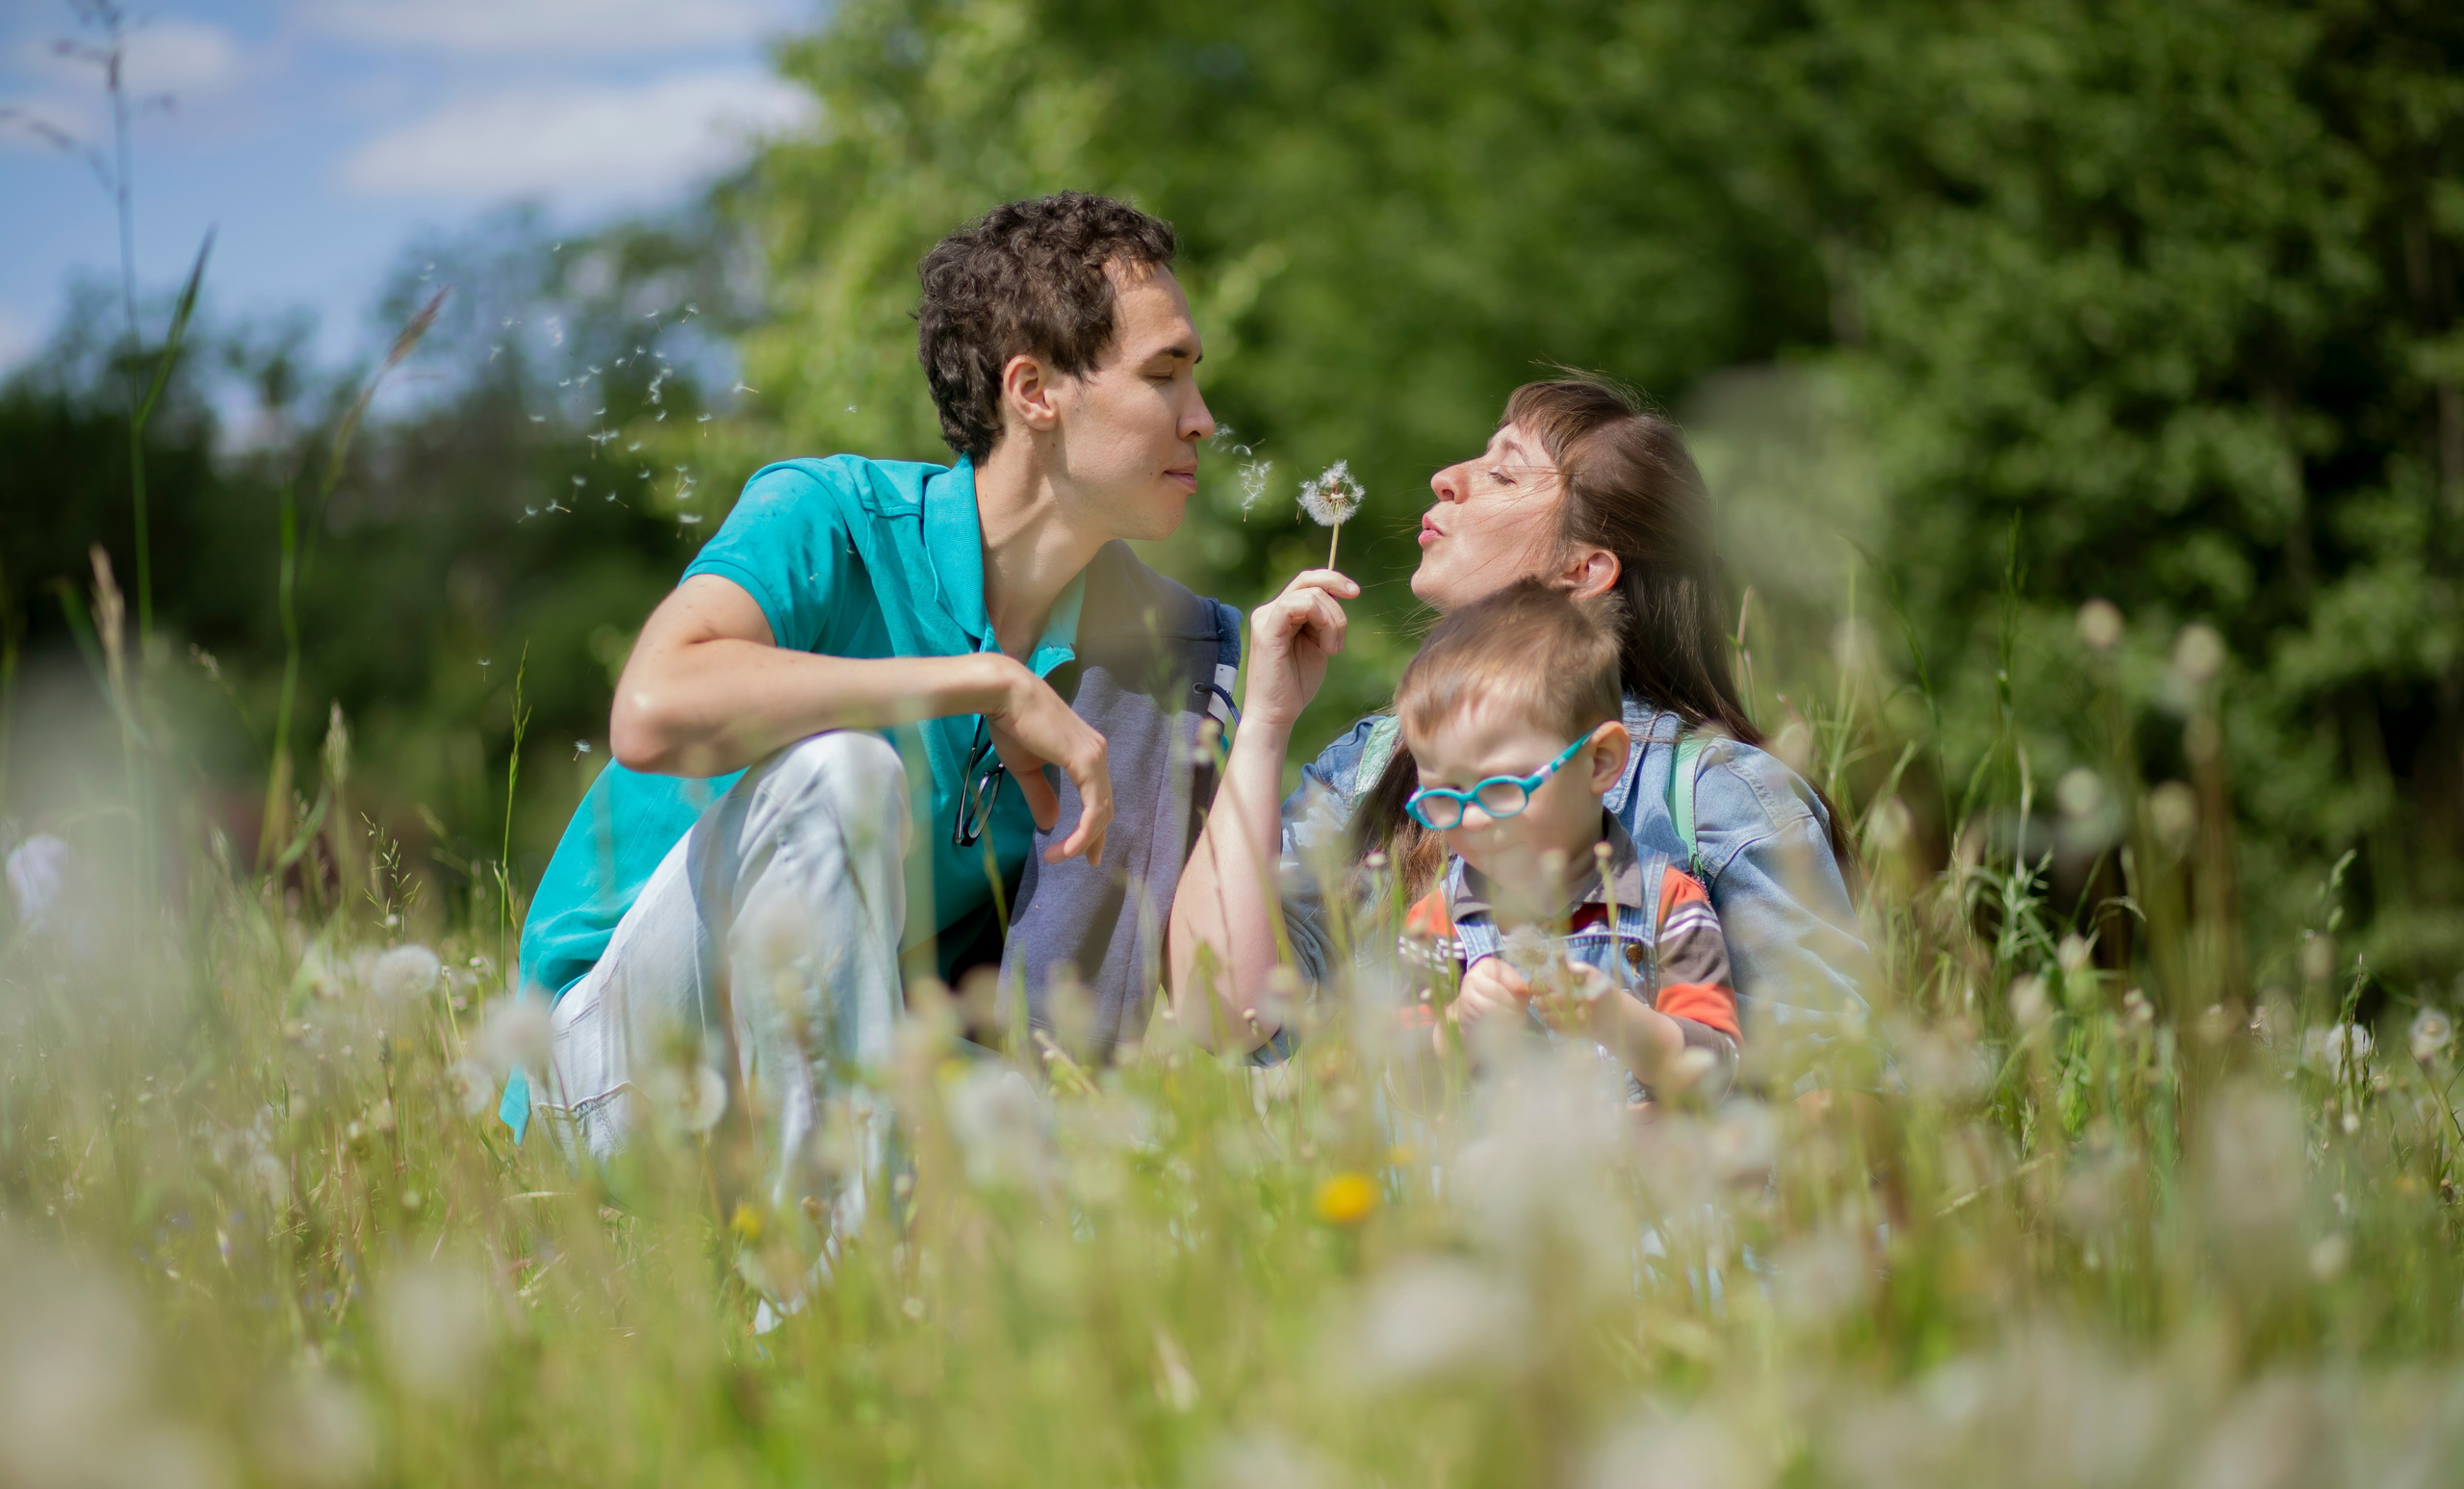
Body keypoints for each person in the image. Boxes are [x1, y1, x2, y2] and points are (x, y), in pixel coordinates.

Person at [511, 193, 1220, 1201]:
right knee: (841, 771)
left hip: (848, 1074)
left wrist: (1271, 707)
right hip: (621, 1072)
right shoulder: (828, 513)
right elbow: (652, 706)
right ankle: (833, 1295)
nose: (1202, 418)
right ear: (1034, 392)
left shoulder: (1138, 648)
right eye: (1165, 375)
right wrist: (980, 684)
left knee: (1127, 1174)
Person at [1169, 373, 1865, 1054]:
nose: (1446, 477)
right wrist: (1263, 723)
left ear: (1585, 569)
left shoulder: (1716, 795)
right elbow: (1225, 1016)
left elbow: (1832, 1089)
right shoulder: (1371, 768)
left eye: (1504, 475)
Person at [1391, 584, 1740, 1101]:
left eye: (1503, 787)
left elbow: (1717, 1072)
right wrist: (1457, 1030)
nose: (1473, 819)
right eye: (1443, 795)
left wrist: (1625, 1024)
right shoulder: (1438, 924)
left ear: (1599, 761)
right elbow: (1406, 1093)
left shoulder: (1664, 902)